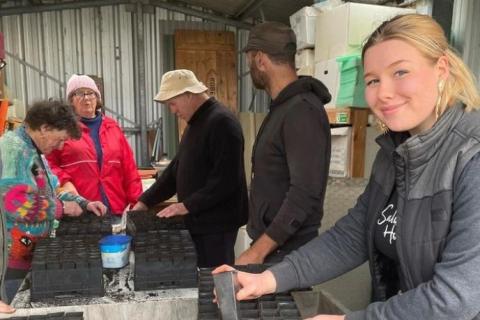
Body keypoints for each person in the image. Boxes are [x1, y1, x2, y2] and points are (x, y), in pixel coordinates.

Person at [213, 13, 480, 320]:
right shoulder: (395, 151)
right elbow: (351, 237)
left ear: (441, 69)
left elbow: (457, 297)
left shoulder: (471, 156)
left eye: (401, 72)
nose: (384, 93)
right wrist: (268, 279)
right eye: (373, 80)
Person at [235, 21, 331, 265]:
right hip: (273, 249)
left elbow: (304, 193)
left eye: (249, 59)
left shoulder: (302, 111)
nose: (249, 68)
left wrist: (258, 252)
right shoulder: (283, 107)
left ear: (260, 60)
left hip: (288, 255)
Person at [132, 69, 248, 268]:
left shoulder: (222, 122)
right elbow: (176, 170)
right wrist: (145, 201)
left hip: (217, 225)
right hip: (200, 221)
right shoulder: (195, 123)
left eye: (172, 103)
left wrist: (184, 206)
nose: (172, 110)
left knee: (215, 281)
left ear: (188, 94)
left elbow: (226, 181)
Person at [0, 100, 106, 309]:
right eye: (59, 140)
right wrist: (61, 209)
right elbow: (14, 203)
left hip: (30, 251)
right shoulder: (12, 150)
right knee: (13, 307)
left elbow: (53, 192)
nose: (59, 147)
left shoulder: (34, 152)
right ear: (44, 128)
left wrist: (83, 203)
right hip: (11, 259)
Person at [46, 75, 142, 217]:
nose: (86, 98)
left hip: (116, 209)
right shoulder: (62, 129)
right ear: (71, 100)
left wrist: (136, 203)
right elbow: (48, 165)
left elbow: (130, 170)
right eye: (79, 93)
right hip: (80, 210)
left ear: (97, 98)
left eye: (90, 93)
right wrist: (64, 181)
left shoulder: (113, 127)